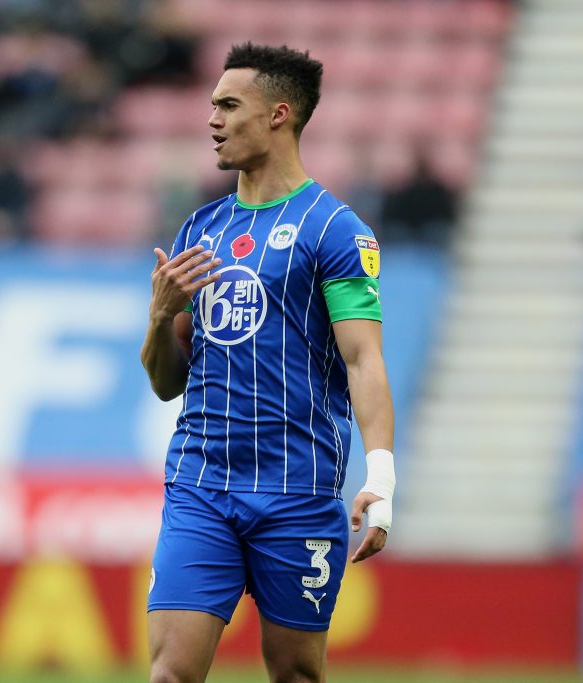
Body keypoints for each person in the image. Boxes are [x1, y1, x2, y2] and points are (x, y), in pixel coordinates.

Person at [140, 43, 396, 683]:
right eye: (212, 105)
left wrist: (382, 477)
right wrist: (159, 318)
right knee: (170, 674)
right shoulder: (200, 229)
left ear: (279, 114)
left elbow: (363, 359)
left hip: (298, 492)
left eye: (229, 106)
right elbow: (167, 383)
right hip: (202, 483)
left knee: (296, 675)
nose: (213, 120)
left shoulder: (334, 230)